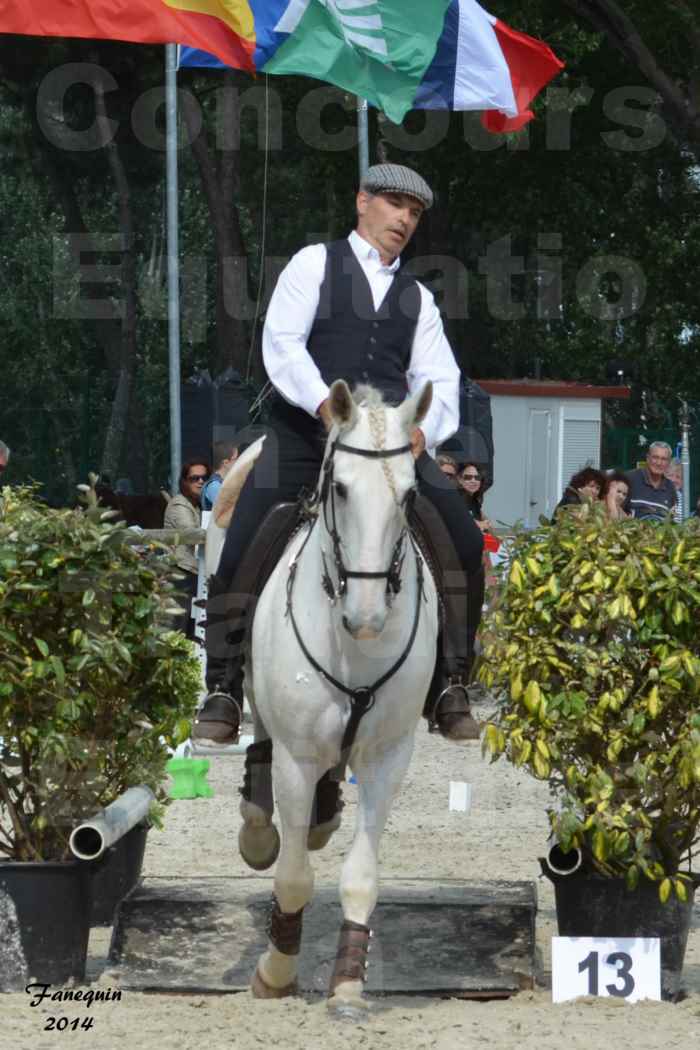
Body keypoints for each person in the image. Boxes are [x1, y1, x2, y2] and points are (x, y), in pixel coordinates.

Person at [197, 163, 484, 748]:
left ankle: (450, 681)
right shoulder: (313, 264)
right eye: (395, 204)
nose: (404, 219)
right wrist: (323, 407)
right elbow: (282, 344)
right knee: (247, 529)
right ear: (363, 201)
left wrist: (424, 432)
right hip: (307, 432)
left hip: (389, 444)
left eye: (415, 212)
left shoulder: (418, 298)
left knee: (463, 538)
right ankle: (223, 685)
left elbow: (442, 379)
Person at [164, 459, 209, 640]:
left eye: (204, 478)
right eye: (194, 478)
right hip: (179, 575)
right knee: (176, 633)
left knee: (191, 634)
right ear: (184, 482)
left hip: (193, 575)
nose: (200, 482)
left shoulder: (196, 505)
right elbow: (194, 535)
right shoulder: (179, 505)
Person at [625, 442, 676, 520]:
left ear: (668, 462)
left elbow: (671, 519)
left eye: (664, 459)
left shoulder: (670, 487)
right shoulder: (629, 478)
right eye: (655, 457)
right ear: (648, 458)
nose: (659, 463)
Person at [201, 441, 238, 512]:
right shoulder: (215, 485)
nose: (238, 461)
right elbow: (230, 512)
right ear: (226, 463)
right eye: (235, 458)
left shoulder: (223, 482)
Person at [666, 458, 684, 523]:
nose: (673, 480)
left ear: (683, 481)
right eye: (670, 475)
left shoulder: (683, 499)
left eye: (678, 477)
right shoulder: (658, 495)